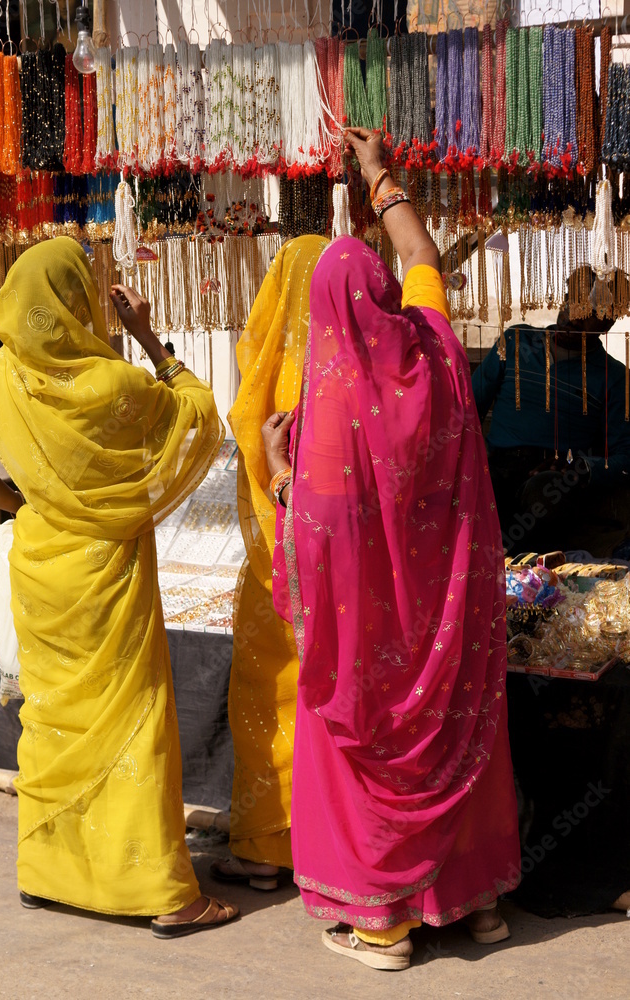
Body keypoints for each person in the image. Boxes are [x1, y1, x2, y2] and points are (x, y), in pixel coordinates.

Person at [260, 128, 521, 972]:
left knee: (355, 742)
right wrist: (378, 176)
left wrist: (274, 472)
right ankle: (474, 901)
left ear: (324, 313)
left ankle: (381, 925)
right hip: (445, 629)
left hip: (373, 646)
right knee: (457, 738)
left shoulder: (325, 416)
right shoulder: (440, 355)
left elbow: (314, 543)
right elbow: (425, 258)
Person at [0, 238, 239, 938]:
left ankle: (52, 873)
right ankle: (165, 894)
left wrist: (27, 505)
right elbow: (198, 414)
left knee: (54, 717)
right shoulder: (114, 383)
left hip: (41, 566)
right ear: (76, 304)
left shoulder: (1, 379)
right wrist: (147, 336)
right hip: (107, 568)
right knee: (130, 720)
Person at [214, 235, 329, 890]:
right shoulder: (359, 364)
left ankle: (261, 850)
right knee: (326, 705)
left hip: (274, 563)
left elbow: (242, 429)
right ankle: (325, 845)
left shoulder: (267, 364)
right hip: (342, 575)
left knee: (267, 700)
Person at [472, 267, 630, 556]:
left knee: (545, 497)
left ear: (608, 323)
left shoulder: (614, 376)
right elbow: (467, 408)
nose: (575, 313)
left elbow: (625, 458)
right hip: (495, 466)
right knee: (476, 487)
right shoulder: (517, 340)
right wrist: (474, 458)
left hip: (554, 477)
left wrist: (580, 468)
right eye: (573, 301)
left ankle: (529, 582)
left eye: (592, 310)